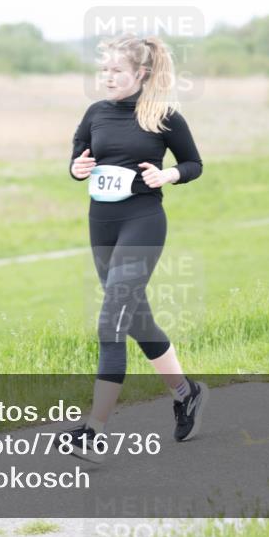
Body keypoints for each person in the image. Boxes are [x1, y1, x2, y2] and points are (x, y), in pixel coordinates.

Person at [60, 33, 208, 464]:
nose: (107, 78)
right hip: (101, 224)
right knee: (136, 319)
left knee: (111, 323)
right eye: (103, 70)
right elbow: (76, 158)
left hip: (143, 223)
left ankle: (93, 432)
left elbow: (194, 164)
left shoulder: (164, 116)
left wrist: (170, 176)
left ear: (140, 73)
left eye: (116, 71)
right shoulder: (95, 113)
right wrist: (76, 167)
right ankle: (186, 393)